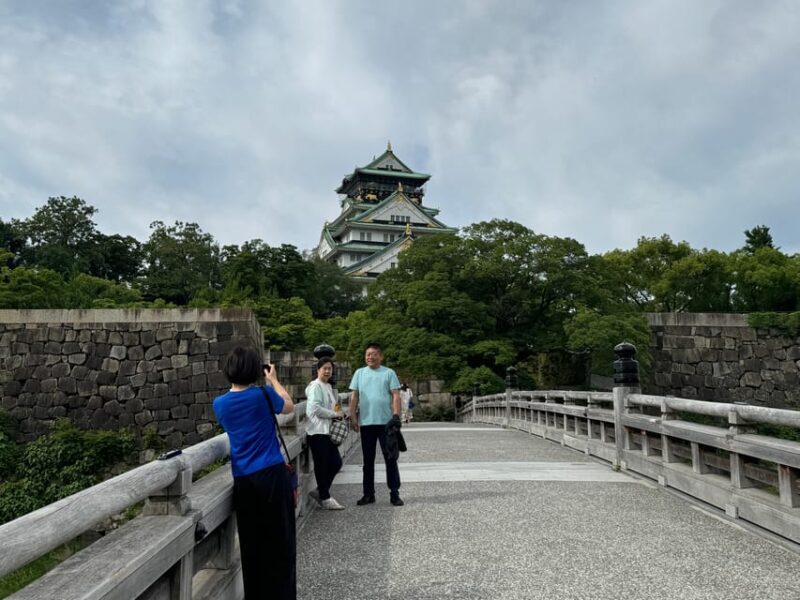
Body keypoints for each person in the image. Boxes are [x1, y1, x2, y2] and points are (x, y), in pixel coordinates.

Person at [212, 345, 296, 600]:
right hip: (272, 474)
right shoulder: (263, 394)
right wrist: (274, 380)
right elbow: (289, 407)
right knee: (281, 543)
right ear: (254, 370)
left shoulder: (219, 404)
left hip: (244, 480)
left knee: (252, 545)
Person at [349, 343, 404, 506]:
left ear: (381, 356)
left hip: (386, 424)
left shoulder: (389, 373)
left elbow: (396, 395)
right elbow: (354, 396)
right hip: (366, 423)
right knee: (368, 461)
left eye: (373, 354)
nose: (370, 357)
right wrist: (353, 417)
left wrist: (396, 415)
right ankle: (368, 494)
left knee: (390, 458)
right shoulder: (359, 373)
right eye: (368, 354)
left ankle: (394, 493)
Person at [305, 356, 345, 510]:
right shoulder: (315, 386)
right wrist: (334, 414)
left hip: (327, 431)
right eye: (324, 368)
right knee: (322, 465)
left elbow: (333, 405)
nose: (327, 371)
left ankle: (320, 492)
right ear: (318, 370)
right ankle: (325, 497)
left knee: (336, 463)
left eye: (330, 368)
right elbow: (314, 409)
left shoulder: (327, 386)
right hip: (317, 432)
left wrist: (339, 413)